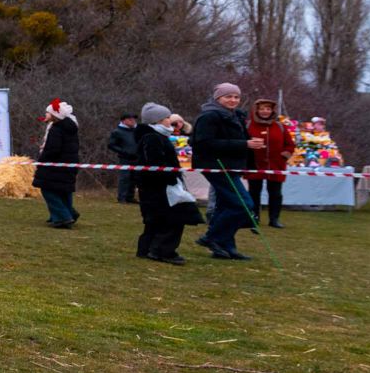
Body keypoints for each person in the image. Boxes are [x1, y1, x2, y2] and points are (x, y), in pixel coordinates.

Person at [191, 82, 263, 260]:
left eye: (236, 97)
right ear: (218, 98)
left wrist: (250, 145)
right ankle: (211, 237)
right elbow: (203, 144)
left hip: (232, 167)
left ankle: (226, 247)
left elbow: (239, 143)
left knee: (227, 205)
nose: (233, 100)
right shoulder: (209, 116)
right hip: (216, 167)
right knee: (243, 204)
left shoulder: (235, 116)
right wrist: (244, 144)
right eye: (228, 96)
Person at [132, 103, 200, 264]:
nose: (170, 121)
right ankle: (162, 251)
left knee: (155, 220)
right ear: (158, 121)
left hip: (158, 185)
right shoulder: (152, 137)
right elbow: (154, 163)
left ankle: (147, 249)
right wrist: (170, 177)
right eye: (167, 118)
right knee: (171, 219)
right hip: (159, 186)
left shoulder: (157, 136)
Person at [245, 97, 294, 229]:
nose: (265, 111)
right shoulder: (248, 125)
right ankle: (254, 218)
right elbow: (242, 142)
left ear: (272, 111)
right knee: (254, 192)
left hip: (276, 165)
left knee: (275, 193)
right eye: (262, 109)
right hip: (254, 164)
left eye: (268, 109)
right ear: (256, 110)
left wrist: (284, 155)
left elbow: (290, 145)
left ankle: (274, 219)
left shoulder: (280, 126)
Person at [32, 99, 81, 228]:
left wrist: (42, 161)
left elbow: (52, 149)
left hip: (55, 165)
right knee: (63, 190)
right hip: (69, 163)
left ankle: (63, 217)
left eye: (47, 112)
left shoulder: (56, 129)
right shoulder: (70, 128)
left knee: (48, 190)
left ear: (55, 115)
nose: (45, 114)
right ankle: (68, 213)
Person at [107, 111, 140, 204]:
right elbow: (111, 145)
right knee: (125, 177)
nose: (133, 121)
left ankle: (130, 197)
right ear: (124, 121)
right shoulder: (117, 132)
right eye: (130, 119)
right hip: (125, 158)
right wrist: (124, 151)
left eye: (134, 119)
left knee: (134, 178)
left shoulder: (137, 130)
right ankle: (122, 198)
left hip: (137, 158)